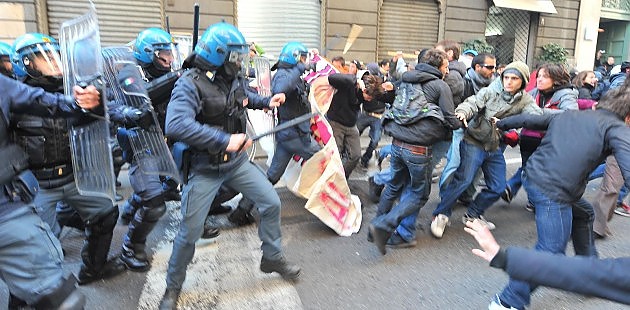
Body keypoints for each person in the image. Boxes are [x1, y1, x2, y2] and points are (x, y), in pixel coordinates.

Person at [158, 22, 298, 310]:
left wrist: (266, 102)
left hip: (235, 164)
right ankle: (173, 287)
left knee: (271, 202)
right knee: (189, 232)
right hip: (204, 168)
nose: (240, 62)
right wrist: (225, 140)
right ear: (218, 55)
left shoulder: (230, 78)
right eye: (235, 57)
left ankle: (271, 257)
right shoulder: (189, 83)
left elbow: (244, 97)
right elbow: (175, 124)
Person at [489, 77, 630, 310]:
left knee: (584, 213)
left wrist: (500, 123)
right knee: (551, 249)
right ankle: (507, 301)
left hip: (533, 177)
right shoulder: (617, 129)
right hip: (552, 191)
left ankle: (588, 271)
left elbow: (529, 120)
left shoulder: (568, 115)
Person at [11, 33, 126, 285]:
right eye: (45, 58)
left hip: (75, 177)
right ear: (26, 64)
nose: (54, 63)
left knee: (105, 213)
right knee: (35, 248)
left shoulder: (72, 93)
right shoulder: (13, 99)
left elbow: (98, 113)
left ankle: (92, 269)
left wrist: (95, 103)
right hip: (35, 186)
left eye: (55, 56)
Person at [0, 73, 100, 310]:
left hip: (7, 212)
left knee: (63, 302)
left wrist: (82, 102)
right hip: (33, 193)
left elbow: (46, 102)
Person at [430, 61, 542, 239]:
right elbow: (473, 101)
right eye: (506, 77)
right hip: (474, 142)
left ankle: (473, 215)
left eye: (514, 78)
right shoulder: (491, 90)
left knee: (498, 187)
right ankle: (441, 214)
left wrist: (556, 120)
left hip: (494, 146)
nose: (509, 82)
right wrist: (463, 112)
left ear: (523, 81)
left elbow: (537, 116)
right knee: (463, 180)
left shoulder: (524, 99)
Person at [369, 49, 462, 252]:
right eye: (446, 66)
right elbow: (450, 119)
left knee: (394, 186)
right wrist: (462, 123)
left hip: (397, 142)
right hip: (419, 148)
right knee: (419, 194)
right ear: (438, 67)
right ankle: (383, 226)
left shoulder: (405, 80)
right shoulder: (440, 86)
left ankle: (375, 226)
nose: (447, 70)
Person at [464, 219, 630, 306]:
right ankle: (508, 299)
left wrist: (506, 259)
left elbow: (600, 274)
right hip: (557, 189)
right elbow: (601, 274)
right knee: (553, 246)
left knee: (584, 214)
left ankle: (509, 299)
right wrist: (506, 259)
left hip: (565, 188)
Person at [502, 63, 578, 212]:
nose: (540, 80)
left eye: (545, 76)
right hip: (528, 138)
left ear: (556, 79)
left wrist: (540, 114)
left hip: (550, 141)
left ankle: (538, 199)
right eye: (539, 76)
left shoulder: (566, 94)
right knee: (528, 169)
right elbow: (520, 112)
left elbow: (570, 114)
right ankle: (533, 200)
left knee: (542, 173)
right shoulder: (533, 92)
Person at [439, 53, 497, 203]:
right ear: (477, 67)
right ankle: (445, 196)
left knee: (477, 167)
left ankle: (467, 195)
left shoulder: (494, 84)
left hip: (483, 131)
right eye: (490, 67)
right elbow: (455, 105)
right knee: (455, 163)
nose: (493, 70)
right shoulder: (464, 82)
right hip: (462, 128)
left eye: (494, 67)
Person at [266, 41, 320, 184]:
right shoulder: (283, 75)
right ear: (294, 58)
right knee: (323, 158)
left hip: (289, 134)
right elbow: (280, 89)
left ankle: (245, 206)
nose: (304, 62)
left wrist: (313, 61)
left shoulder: (291, 75)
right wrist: (301, 67)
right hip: (294, 135)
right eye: (302, 58)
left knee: (273, 175)